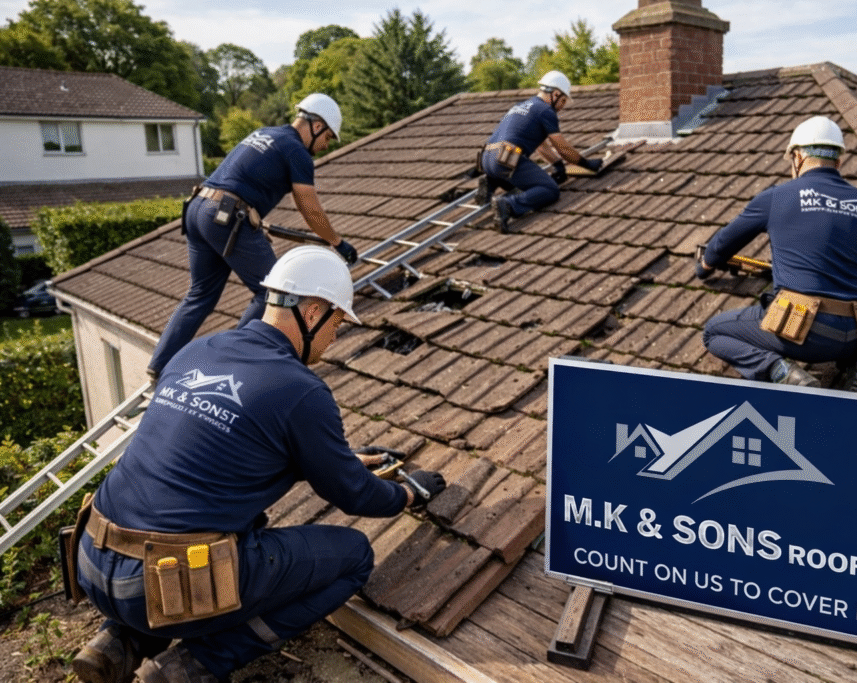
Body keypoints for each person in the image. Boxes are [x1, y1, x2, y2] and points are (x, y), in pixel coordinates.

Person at [70, 245, 446, 683]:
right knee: (354, 556)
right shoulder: (300, 390)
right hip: (157, 585)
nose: (337, 336)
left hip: (93, 562)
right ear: (312, 312)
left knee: (208, 521)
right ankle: (196, 665)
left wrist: (342, 459)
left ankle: (120, 641)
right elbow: (355, 495)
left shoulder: (198, 350)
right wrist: (407, 493)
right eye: (338, 322)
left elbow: (229, 445)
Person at [147, 93, 360, 380]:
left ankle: (158, 366)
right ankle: (230, 363)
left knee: (201, 294)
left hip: (199, 209)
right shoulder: (297, 151)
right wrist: (338, 243)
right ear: (317, 125)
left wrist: (253, 220)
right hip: (226, 216)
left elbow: (241, 178)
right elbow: (309, 208)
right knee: (272, 290)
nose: (325, 146)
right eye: (328, 138)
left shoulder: (265, 134)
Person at [699, 116, 857, 390]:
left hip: (803, 332)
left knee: (714, 332)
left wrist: (704, 266)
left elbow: (723, 244)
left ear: (797, 157)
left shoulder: (779, 196)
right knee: (851, 323)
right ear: (839, 161)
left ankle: (781, 372)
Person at [477, 70, 603, 233]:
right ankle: (507, 205)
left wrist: (557, 165)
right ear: (555, 94)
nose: (562, 107)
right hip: (505, 158)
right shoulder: (545, 111)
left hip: (487, 159)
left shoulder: (522, 105)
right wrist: (586, 163)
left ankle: (491, 182)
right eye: (563, 101)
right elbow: (562, 147)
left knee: (521, 183)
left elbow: (541, 146)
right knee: (550, 190)